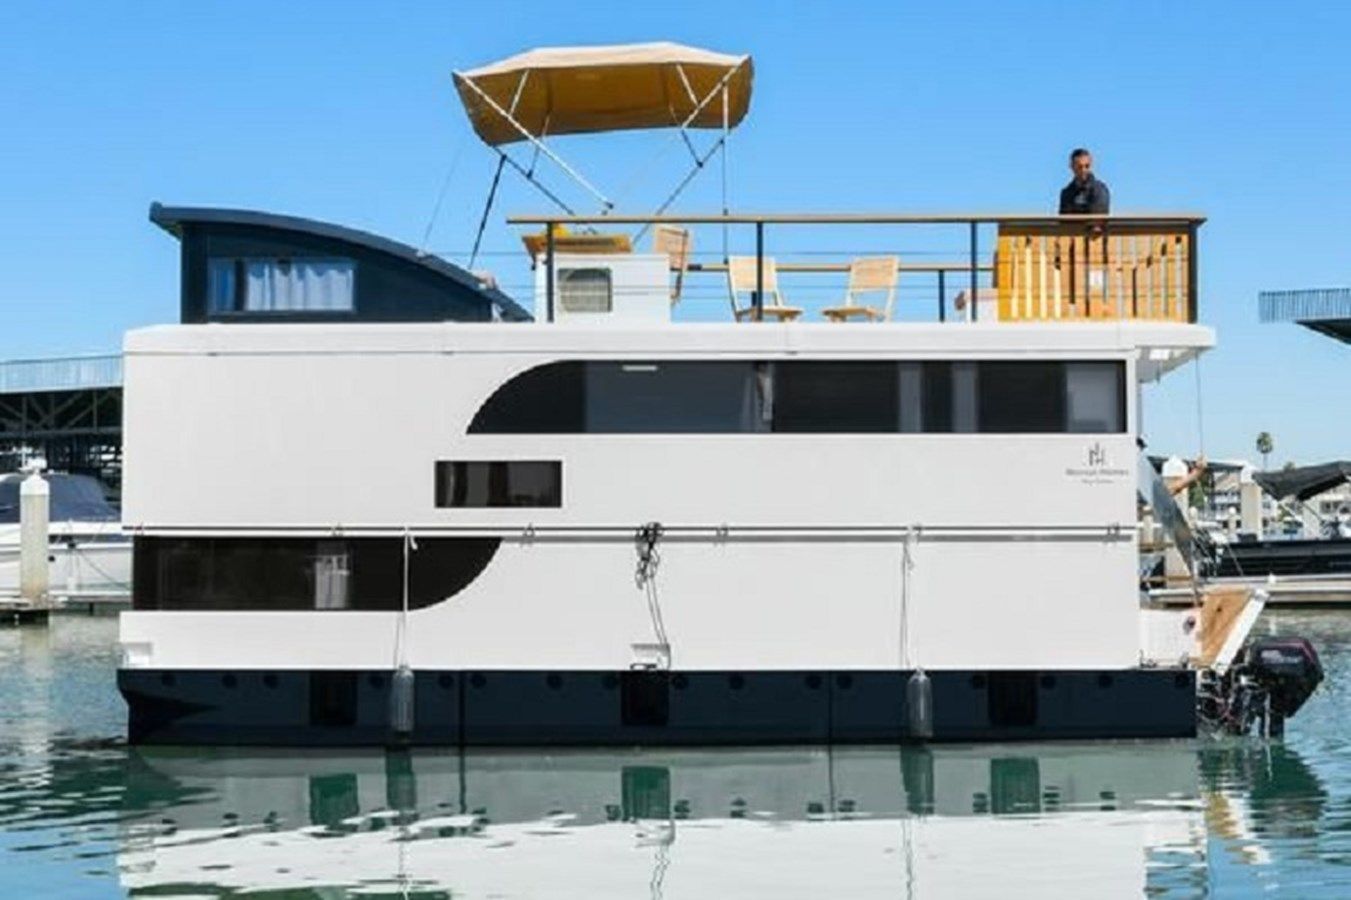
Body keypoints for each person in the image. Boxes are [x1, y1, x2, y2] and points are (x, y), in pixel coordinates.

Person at [1059, 148, 1110, 215]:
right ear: (1072, 167)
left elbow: (1098, 218)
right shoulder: (1066, 193)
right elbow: (1064, 218)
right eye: (1079, 167)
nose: (1083, 170)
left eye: (1087, 166)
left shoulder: (1100, 189)